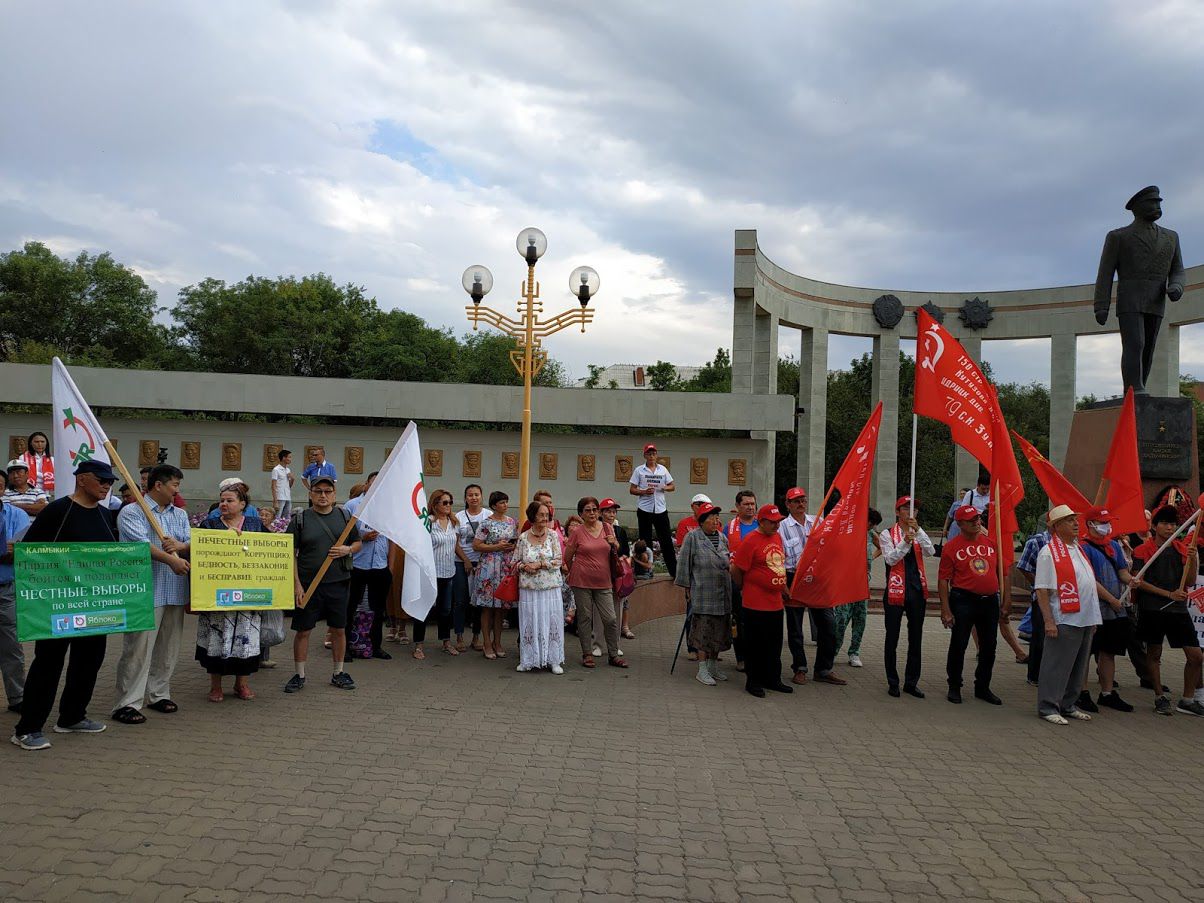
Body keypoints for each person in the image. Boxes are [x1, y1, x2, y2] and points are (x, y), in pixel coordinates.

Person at [11, 460, 120, 751]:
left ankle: (72, 717)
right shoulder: (58, 510)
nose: (107, 485)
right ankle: (28, 728)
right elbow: (31, 555)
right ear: (82, 479)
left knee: (89, 661)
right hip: (58, 605)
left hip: (96, 604)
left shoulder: (105, 515)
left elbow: (115, 556)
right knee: (49, 663)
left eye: (110, 481)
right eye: (102, 479)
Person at [110, 464, 192, 725]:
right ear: (159, 485)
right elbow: (140, 546)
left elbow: (190, 541)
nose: (177, 490)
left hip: (174, 590)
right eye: (174, 485)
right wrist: (171, 559)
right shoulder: (132, 512)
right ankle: (127, 703)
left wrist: (181, 546)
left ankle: (158, 694)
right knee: (138, 649)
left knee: (168, 648)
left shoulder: (179, 514)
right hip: (146, 591)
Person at [282, 475, 361, 694]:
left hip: (339, 583)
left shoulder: (345, 517)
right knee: (303, 630)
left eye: (327, 491)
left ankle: (338, 672)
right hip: (308, 584)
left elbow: (357, 542)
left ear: (334, 495)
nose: (323, 495)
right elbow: (290, 554)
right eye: (318, 491)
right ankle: (299, 674)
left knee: (338, 629)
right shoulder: (300, 520)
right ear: (311, 494)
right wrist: (296, 585)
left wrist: (348, 549)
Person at [195, 484, 267, 702]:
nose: (224, 504)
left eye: (229, 501)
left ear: (242, 504)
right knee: (217, 637)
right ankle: (215, 686)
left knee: (245, 637)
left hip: (248, 592)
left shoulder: (255, 524)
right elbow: (200, 554)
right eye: (222, 501)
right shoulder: (209, 525)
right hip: (218, 593)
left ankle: (241, 684)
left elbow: (271, 551)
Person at [1033, 505, 1104, 724]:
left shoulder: (1077, 548)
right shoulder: (1048, 553)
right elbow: (1042, 589)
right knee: (1057, 664)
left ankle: (1067, 703)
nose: (1076, 524)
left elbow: (1087, 583)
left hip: (1084, 617)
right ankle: (1048, 706)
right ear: (1056, 526)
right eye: (1069, 520)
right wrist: (1048, 621)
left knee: (1078, 665)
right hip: (1064, 617)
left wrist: (1093, 616)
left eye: (1075, 519)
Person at [1130, 505, 1204, 716]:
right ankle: (1159, 695)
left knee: (1196, 656)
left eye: (1173, 524)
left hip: (1178, 610)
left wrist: (1192, 560)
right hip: (1152, 608)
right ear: (1154, 526)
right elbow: (1138, 580)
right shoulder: (1142, 550)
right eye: (1164, 523)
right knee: (1154, 653)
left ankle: (1187, 699)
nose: (1170, 528)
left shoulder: (1182, 549)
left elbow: (1188, 582)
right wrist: (1167, 594)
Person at [938, 504, 1003, 706]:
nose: (977, 522)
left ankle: (983, 686)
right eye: (971, 520)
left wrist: (1004, 598)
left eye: (977, 518)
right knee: (959, 644)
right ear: (960, 524)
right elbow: (943, 580)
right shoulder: (951, 547)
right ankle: (954, 685)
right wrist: (946, 609)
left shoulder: (991, 543)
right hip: (963, 599)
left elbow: (1000, 571)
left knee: (989, 646)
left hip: (989, 600)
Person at [730, 503, 791, 698]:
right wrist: (744, 587)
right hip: (755, 603)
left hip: (775, 603)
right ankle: (753, 681)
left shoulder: (777, 537)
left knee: (774, 644)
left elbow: (779, 565)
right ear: (761, 521)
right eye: (772, 522)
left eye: (778, 522)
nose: (776, 525)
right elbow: (736, 569)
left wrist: (784, 588)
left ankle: (772, 679)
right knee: (755, 645)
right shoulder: (750, 540)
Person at [1079, 506, 1135, 713]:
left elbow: (1122, 572)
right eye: (1103, 523)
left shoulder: (1113, 545)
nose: (1107, 526)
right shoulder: (1083, 548)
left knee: (1108, 652)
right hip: (1093, 609)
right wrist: (1111, 599)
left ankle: (1107, 693)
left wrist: (1131, 580)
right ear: (1091, 524)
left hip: (1114, 610)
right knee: (1086, 651)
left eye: (1108, 522)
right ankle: (1081, 692)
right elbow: (1089, 580)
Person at [880, 496, 935, 699]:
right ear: (897, 512)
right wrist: (905, 542)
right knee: (892, 637)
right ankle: (892, 681)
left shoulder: (919, 532)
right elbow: (890, 558)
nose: (911, 513)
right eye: (906, 509)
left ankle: (911, 682)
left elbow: (930, 551)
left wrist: (918, 532)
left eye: (914, 509)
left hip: (916, 590)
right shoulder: (887, 534)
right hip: (895, 590)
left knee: (916, 637)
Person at [564, 496, 626, 669]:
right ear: (581, 514)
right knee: (585, 618)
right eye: (587, 510)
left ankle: (613, 654)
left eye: (594, 510)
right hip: (581, 581)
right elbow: (567, 557)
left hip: (604, 581)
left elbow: (616, 548)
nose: (592, 513)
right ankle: (587, 654)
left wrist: (614, 543)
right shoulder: (577, 532)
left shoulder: (607, 528)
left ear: (598, 512)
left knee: (611, 619)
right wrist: (573, 572)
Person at [675, 503, 732, 686]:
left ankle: (713, 665)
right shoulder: (693, 537)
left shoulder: (722, 538)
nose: (716, 520)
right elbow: (684, 563)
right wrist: (686, 588)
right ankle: (702, 669)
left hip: (722, 593)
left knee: (719, 631)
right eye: (711, 517)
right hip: (702, 592)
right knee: (703, 632)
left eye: (717, 517)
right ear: (702, 521)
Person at [340, 470, 394, 661]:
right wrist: (362, 537)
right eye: (374, 482)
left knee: (377, 609)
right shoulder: (352, 505)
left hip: (379, 565)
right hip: (357, 564)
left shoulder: (389, 507)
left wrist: (391, 566)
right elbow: (342, 535)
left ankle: (375, 645)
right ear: (367, 484)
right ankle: (344, 647)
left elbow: (392, 539)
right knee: (350, 606)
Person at [514, 500, 566, 674]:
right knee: (530, 621)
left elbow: (558, 560)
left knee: (552, 621)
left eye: (547, 515)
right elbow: (514, 562)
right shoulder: (523, 537)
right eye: (541, 515)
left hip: (550, 587)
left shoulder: (552, 536)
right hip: (528, 588)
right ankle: (528, 659)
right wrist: (524, 566)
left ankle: (553, 660)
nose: (545, 518)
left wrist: (540, 564)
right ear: (533, 516)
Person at [422, 488, 468, 660]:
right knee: (426, 608)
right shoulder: (429, 522)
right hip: (430, 572)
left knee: (446, 609)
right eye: (445, 502)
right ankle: (419, 643)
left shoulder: (453, 522)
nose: (449, 505)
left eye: (450, 502)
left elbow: (455, 545)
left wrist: (465, 560)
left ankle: (446, 641)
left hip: (448, 572)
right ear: (435, 504)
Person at [472, 491, 517, 660]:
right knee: (487, 607)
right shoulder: (486, 523)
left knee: (500, 608)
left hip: (504, 565)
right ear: (493, 506)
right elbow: (476, 545)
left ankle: (498, 642)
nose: (505, 505)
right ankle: (486, 642)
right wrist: (497, 547)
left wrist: (510, 547)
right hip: (489, 566)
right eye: (501, 503)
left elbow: (515, 542)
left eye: (506, 502)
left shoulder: (512, 522)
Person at [779, 487, 816, 683]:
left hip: (816, 579)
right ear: (788, 504)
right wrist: (783, 582)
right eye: (796, 501)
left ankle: (824, 668)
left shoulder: (817, 522)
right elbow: (778, 558)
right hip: (792, 577)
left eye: (803, 500)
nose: (801, 504)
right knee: (795, 627)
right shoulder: (781, 527)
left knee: (827, 623)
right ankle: (799, 667)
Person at [835, 507, 880, 668]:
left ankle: (854, 652)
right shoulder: (848, 532)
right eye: (871, 523)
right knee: (841, 618)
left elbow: (881, 547)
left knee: (860, 618)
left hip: (863, 582)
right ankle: (833, 650)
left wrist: (870, 559)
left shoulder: (870, 535)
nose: (872, 526)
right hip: (846, 582)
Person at [0, 491, 30, 714]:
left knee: (11, 645)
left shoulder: (17, 515)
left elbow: (23, 549)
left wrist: (13, 552)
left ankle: (18, 696)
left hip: (6, 589)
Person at [628, 443, 676, 577]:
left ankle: (674, 571)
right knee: (644, 542)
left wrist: (664, 487)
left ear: (657, 455)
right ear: (644, 455)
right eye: (649, 453)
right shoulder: (639, 470)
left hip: (661, 509)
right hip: (645, 509)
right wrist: (643, 491)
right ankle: (643, 570)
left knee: (666, 540)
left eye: (654, 453)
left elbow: (672, 486)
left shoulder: (663, 470)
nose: (651, 456)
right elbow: (632, 489)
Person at [725, 490, 759, 670]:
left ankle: (757, 656)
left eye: (752, 504)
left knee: (757, 621)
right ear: (738, 506)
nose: (750, 507)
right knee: (738, 620)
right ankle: (741, 658)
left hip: (758, 582)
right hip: (736, 582)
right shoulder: (728, 528)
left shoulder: (762, 525)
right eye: (746, 504)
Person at [454, 484, 486, 651]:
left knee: (479, 602)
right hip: (461, 563)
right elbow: (455, 542)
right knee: (460, 600)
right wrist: (466, 560)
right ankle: (459, 636)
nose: (474, 497)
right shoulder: (458, 516)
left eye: (476, 494)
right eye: (470, 495)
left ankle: (476, 636)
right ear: (465, 498)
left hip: (482, 564)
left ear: (481, 496)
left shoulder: (488, 515)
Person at [599, 499, 636, 640]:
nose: (611, 514)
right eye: (608, 511)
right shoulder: (597, 529)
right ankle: (599, 636)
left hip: (617, 572)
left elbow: (625, 551)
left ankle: (622, 629)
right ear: (601, 513)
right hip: (601, 572)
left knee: (621, 602)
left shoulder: (620, 531)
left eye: (613, 512)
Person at [21, 431, 54, 496]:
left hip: (45, 493)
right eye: (36, 442)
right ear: (31, 443)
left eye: (42, 442)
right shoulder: (23, 458)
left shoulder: (52, 459)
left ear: (46, 443)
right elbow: (23, 475)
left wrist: (37, 475)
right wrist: (44, 476)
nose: (40, 444)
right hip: (28, 493)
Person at [270, 449, 295, 520]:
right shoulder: (276, 469)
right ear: (284, 458)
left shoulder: (288, 470)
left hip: (287, 496)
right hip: (279, 497)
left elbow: (289, 486)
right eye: (289, 457)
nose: (290, 459)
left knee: (287, 517)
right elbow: (273, 486)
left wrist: (292, 479)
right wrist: (275, 501)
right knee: (277, 517)